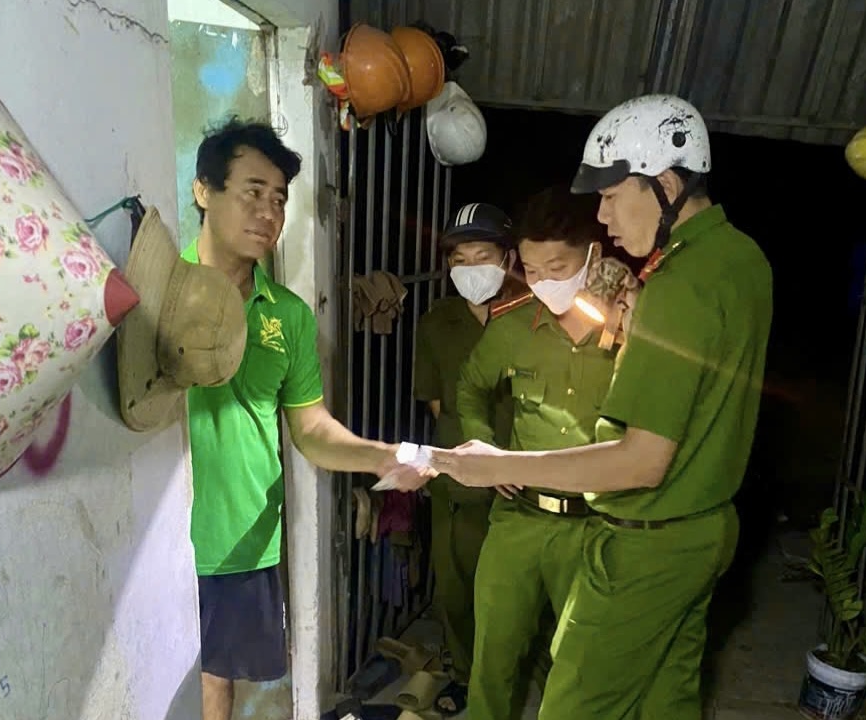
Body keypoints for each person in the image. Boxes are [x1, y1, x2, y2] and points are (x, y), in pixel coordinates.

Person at [401, 93, 774, 719]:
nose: (602, 215)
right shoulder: (743, 260)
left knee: (573, 703)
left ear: (666, 184)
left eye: (611, 195)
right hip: (705, 528)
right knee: (666, 700)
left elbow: (641, 461)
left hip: (646, 541)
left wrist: (497, 465)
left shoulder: (675, 285)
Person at [183, 117, 427, 720]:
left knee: (218, 681)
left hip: (240, 532)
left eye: (279, 199)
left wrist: (383, 455)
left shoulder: (287, 316)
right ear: (203, 191)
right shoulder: (161, 289)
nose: (268, 212)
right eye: (252, 191)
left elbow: (311, 429)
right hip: (158, 536)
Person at [454, 185, 629, 720]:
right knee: (493, 660)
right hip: (519, 521)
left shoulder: (629, 324)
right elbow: (470, 387)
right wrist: (485, 445)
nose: (545, 282)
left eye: (558, 268)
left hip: (595, 527)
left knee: (581, 668)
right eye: (532, 270)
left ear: (591, 256)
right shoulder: (513, 327)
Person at [412, 202, 520, 707]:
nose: (471, 268)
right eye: (460, 259)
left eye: (483, 256)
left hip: (522, 477)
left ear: (508, 259)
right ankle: (465, 673)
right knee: (456, 589)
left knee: (513, 592)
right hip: (456, 479)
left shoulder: (532, 313)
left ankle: (516, 677)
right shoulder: (437, 322)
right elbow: (436, 401)